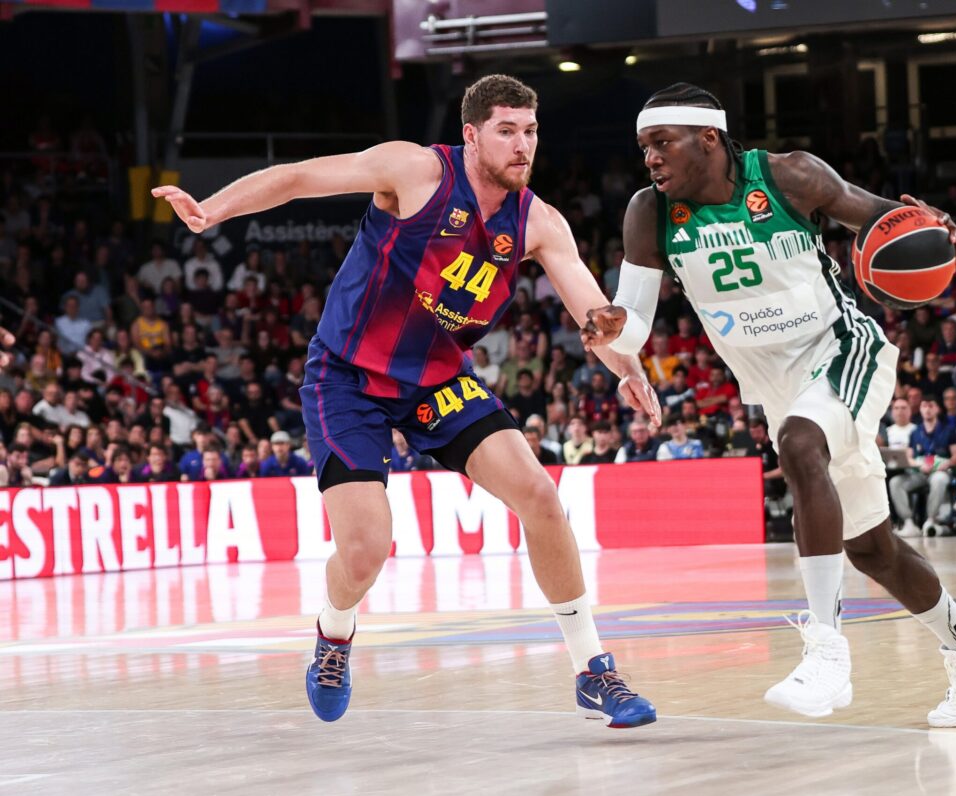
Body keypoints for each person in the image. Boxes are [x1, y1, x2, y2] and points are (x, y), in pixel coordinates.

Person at [154, 74, 659, 727]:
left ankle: (593, 670)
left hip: (436, 380)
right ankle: (334, 633)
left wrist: (625, 366)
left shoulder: (539, 222)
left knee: (540, 497)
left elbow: (593, 313)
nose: (523, 145)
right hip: (348, 377)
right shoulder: (415, 171)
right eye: (507, 131)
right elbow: (299, 178)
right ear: (471, 135)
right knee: (366, 550)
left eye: (531, 131)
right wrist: (212, 209)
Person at [583, 83, 956, 726]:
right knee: (870, 547)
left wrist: (935, 229)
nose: (649, 157)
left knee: (798, 444)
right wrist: (613, 326)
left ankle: (826, 650)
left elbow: (886, 220)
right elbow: (637, 321)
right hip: (777, 386)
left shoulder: (790, 175)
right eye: (644, 146)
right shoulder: (649, 213)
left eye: (662, 143)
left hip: (843, 349)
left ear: (708, 138)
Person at [888, 395, 956, 537]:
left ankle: (930, 520)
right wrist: (919, 465)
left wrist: (945, 464)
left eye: (931, 406)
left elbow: (955, 456)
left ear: (937, 409)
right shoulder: (915, 432)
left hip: (940, 471)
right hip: (920, 473)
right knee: (895, 482)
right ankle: (908, 522)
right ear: (920, 409)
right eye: (924, 406)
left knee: (939, 479)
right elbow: (909, 457)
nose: (927, 409)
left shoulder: (949, 430)